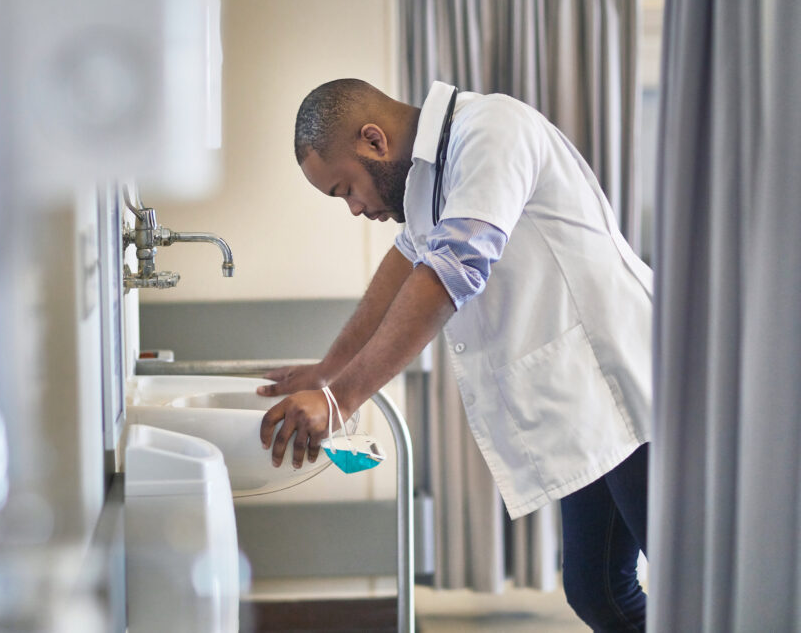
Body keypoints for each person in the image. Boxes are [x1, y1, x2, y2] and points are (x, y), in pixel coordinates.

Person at [257, 79, 653, 631]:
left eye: (344, 189)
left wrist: (340, 397)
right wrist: (329, 370)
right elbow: (405, 265)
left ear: (374, 141)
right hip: (587, 403)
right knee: (598, 592)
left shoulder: (491, 129)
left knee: (692, 582)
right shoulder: (427, 182)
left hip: (630, 385)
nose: (352, 208)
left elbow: (453, 267)